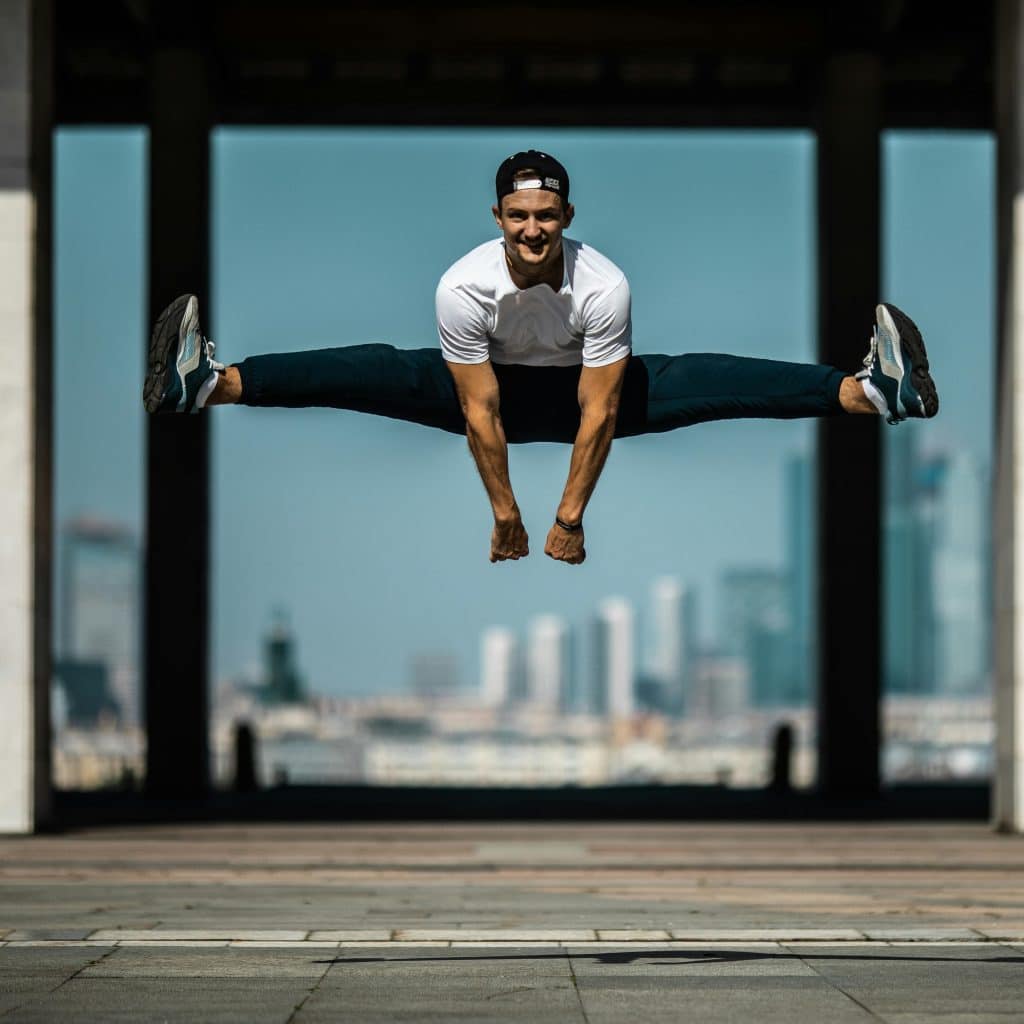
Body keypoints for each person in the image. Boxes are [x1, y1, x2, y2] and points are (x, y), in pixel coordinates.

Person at [143, 149, 938, 566]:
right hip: (488, 392)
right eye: (519, 215)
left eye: (547, 215)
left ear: (567, 216)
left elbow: (598, 415)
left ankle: (874, 392)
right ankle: (206, 382)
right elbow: (481, 413)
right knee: (374, 370)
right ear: (498, 216)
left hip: (587, 393)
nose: (533, 230)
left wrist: (568, 519)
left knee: (712, 378)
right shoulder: (464, 285)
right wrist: (506, 515)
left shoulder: (604, 284)